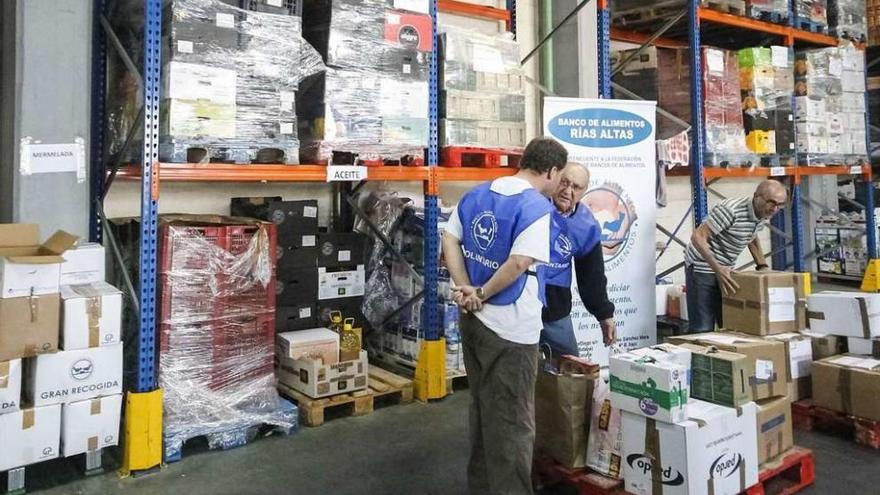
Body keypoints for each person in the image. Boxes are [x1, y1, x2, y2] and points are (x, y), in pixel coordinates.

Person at [441, 137, 567, 495]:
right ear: (551, 170)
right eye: (560, 177)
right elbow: (519, 263)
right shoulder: (535, 208)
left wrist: (467, 289)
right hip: (511, 329)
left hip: (474, 322)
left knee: (482, 410)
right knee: (512, 422)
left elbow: (449, 240)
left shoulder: (477, 194)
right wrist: (480, 294)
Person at [684, 179, 787, 332]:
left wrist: (763, 266)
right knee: (703, 327)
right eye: (771, 202)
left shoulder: (762, 214)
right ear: (756, 196)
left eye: (780, 205)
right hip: (702, 267)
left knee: (728, 323)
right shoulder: (730, 211)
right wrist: (718, 270)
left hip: (725, 270)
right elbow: (698, 237)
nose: (774, 209)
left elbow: (751, 237)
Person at [540, 164, 616, 357]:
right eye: (564, 183)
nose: (567, 191)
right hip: (519, 303)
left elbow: (592, 276)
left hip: (555, 306)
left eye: (576, 187)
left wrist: (604, 314)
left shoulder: (586, 224)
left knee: (572, 370)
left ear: (584, 193)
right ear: (554, 179)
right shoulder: (533, 205)